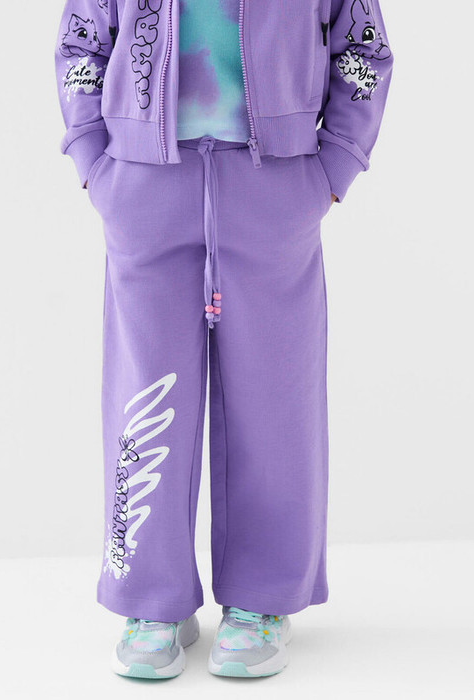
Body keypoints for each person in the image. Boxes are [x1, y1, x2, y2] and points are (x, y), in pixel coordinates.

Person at [55, 0, 393, 680]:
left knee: (274, 401)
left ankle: (262, 600)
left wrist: (335, 164)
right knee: (145, 395)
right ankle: (150, 601)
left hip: (275, 188)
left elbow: (365, 50)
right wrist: (93, 155)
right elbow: (80, 45)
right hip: (144, 187)